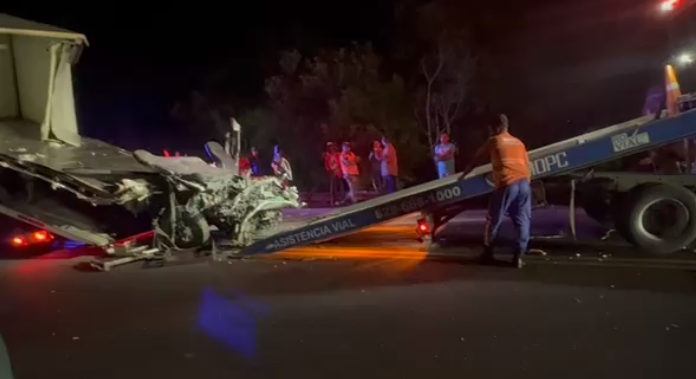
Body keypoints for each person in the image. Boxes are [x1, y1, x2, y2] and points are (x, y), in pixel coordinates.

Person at [461, 114, 531, 269]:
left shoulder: (494, 141)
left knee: (494, 219)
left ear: (497, 127)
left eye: (490, 128)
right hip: (524, 183)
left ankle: (488, 253)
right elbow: (527, 166)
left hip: (507, 183)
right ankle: (518, 257)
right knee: (522, 220)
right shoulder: (519, 143)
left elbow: (476, 160)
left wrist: (463, 176)